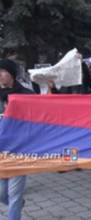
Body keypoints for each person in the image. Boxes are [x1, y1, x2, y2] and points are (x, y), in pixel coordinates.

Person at [0, 59, 34, 220]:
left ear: (11, 74)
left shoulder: (25, 95)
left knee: (14, 195)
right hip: (1, 151)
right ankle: (19, 203)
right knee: (2, 194)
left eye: (2, 71)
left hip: (19, 150)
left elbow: (41, 114)